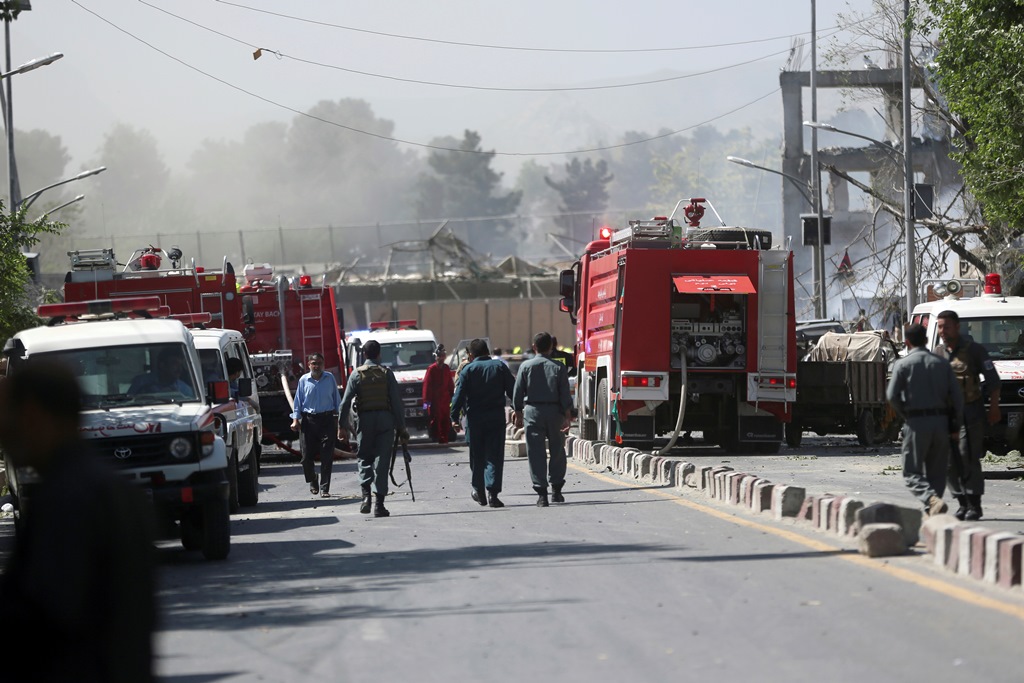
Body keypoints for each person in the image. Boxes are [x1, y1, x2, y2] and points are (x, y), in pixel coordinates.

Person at [0, 359, 157, 683]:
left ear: (31, 415)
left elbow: (46, 616)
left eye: (7, 418)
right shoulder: (109, 488)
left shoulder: (67, 497)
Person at [886, 323, 964, 517]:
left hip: (916, 422)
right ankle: (934, 510)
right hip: (941, 423)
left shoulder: (902, 364)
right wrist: (955, 425)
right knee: (937, 472)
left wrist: (906, 414)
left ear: (907, 342)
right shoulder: (942, 363)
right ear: (927, 341)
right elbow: (957, 397)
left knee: (911, 472)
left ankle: (930, 499)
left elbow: (892, 395)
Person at [933, 309, 1001, 521]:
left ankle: (975, 504)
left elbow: (993, 381)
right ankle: (961, 502)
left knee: (967, 455)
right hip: (946, 416)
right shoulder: (938, 353)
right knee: (948, 460)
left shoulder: (974, 351)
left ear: (957, 327)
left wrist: (994, 408)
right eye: (940, 327)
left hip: (971, 412)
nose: (943, 331)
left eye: (947, 326)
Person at [340, 339, 409, 517]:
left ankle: (365, 498)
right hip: (385, 421)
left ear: (364, 354)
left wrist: (342, 427)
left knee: (364, 458)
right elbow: (396, 404)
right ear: (379, 354)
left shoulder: (356, 374)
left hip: (365, 421)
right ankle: (379, 505)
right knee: (382, 462)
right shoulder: (387, 374)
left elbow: (345, 403)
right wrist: (402, 428)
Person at [450, 338, 515, 508]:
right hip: (496, 417)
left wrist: (454, 417)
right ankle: (493, 493)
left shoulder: (468, 370)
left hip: (475, 419)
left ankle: (478, 490)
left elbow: (458, 396)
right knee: (494, 455)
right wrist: (518, 409)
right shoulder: (500, 367)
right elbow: (513, 390)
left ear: (471, 355)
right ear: (488, 351)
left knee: (477, 456)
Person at [512, 332, 574, 507]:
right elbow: (564, 394)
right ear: (551, 347)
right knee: (557, 451)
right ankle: (556, 491)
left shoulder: (525, 366)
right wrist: (567, 416)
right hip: (555, 412)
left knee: (535, 452)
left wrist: (518, 413)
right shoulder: (558, 367)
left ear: (534, 347)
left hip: (533, 412)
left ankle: (541, 495)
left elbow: (517, 393)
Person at [290, 352, 341, 499]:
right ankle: (313, 479)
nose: (316, 366)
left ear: (323, 365)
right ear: (309, 365)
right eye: (314, 363)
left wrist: (340, 421)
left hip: (327, 421)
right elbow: (298, 402)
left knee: (327, 456)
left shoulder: (329, 378)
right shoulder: (304, 380)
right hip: (309, 422)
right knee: (306, 457)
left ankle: (325, 488)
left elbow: (337, 401)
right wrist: (295, 420)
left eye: (319, 363)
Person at [422, 344, 454, 445]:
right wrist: (426, 404)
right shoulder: (431, 369)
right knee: (435, 419)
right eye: (439, 356)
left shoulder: (446, 368)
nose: (441, 358)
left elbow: (450, 384)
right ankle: (437, 437)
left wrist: (453, 398)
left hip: (445, 400)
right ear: (436, 356)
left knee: (445, 419)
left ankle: (444, 439)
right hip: (434, 401)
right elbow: (427, 386)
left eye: (443, 355)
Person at [129, 346, 194, 396]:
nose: (179, 368)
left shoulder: (185, 390)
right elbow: (128, 401)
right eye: (174, 364)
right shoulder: (141, 382)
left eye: (180, 364)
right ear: (162, 365)